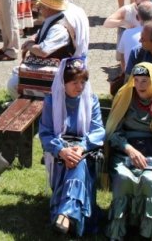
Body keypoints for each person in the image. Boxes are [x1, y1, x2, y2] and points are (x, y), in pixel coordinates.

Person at [105, 63, 152, 241]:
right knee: (123, 178)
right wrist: (129, 149)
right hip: (126, 151)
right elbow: (112, 131)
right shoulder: (125, 97)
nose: (140, 85)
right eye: (136, 80)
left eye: (145, 81)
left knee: (151, 181)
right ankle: (120, 229)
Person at [38, 58, 104, 236]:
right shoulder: (52, 101)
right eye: (74, 82)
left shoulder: (91, 100)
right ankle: (74, 216)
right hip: (61, 148)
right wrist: (61, 150)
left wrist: (81, 147)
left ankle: (64, 214)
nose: (79, 87)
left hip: (84, 149)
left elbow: (98, 131)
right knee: (76, 163)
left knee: (79, 162)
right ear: (63, 82)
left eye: (83, 82)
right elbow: (45, 133)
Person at [10, 0, 76, 98]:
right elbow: (40, 33)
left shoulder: (58, 29)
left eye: (41, 5)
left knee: (13, 83)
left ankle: (29, 102)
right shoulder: (52, 20)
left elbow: (43, 51)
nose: (38, 8)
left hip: (57, 74)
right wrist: (32, 39)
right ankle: (27, 100)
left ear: (49, 8)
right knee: (16, 73)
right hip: (48, 67)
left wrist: (29, 45)